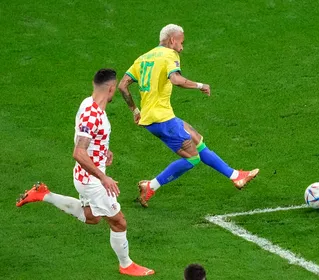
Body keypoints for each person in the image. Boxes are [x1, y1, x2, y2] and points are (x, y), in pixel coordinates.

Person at [16, 69, 155, 276]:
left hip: (85, 175)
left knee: (92, 217)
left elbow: (89, 140)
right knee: (118, 221)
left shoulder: (88, 104)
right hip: (92, 179)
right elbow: (78, 152)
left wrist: (103, 150)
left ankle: (43, 194)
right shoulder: (93, 115)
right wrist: (103, 177)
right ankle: (126, 264)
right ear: (110, 88)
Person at [118, 24, 259, 208]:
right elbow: (176, 80)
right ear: (172, 40)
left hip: (155, 117)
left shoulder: (143, 58)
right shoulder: (170, 55)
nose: (182, 47)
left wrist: (135, 111)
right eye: (181, 42)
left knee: (196, 138)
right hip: (162, 120)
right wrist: (200, 86)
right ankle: (150, 186)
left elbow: (123, 85)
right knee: (192, 158)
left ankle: (235, 177)